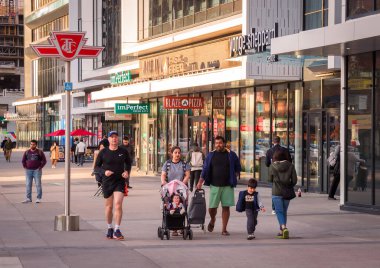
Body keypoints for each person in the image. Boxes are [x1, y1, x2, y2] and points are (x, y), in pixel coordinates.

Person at [196, 136, 241, 236]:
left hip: (228, 185)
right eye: (216, 143)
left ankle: (224, 229)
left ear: (224, 143)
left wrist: (234, 176)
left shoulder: (231, 155)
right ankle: (212, 220)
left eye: (220, 143)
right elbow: (205, 169)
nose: (218, 145)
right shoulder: (211, 155)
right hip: (214, 185)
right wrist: (200, 182)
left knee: (226, 207)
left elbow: (238, 167)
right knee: (212, 208)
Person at [95, 131, 131, 240]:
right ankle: (109, 228)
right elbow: (96, 167)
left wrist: (127, 172)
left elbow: (128, 163)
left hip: (119, 181)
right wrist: (104, 172)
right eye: (112, 137)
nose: (114, 139)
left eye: (116, 137)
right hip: (107, 182)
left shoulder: (123, 151)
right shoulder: (103, 152)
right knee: (109, 207)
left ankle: (117, 229)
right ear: (109, 140)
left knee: (118, 205)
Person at [268, 150, 297, 239]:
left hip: (276, 191)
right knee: (284, 211)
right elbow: (295, 180)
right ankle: (282, 231)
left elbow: (269, 179)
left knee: (279, 211)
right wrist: (289, 186)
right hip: (287, 192)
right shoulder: (291, 166)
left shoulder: (272, 166)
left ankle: (284, 228)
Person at [265, 136, 292, 215]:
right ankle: (283, 207)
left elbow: (267, 164)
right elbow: (290, 161)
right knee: (284, 189)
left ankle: (274, 208)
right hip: (285, 172)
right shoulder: (285, 150)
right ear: (280, 141)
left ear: (273, 142)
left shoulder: (269, 151)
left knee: (275, 191)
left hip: (274, 172)